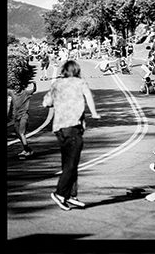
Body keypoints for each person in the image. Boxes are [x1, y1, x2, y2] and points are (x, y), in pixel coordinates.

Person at [42, 60, 101, 211]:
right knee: (72, 163)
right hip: (73, 128)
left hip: (59, 129)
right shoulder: (80, 83)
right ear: (76, 70)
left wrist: (57, 100)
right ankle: (60, 194)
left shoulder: (56, 84)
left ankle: (71, 195)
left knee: (68, 162)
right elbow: (88, 97)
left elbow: (46, 103)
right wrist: (94, 113)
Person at [8, 81, 37, 158]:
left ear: (21, 87)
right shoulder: (12, 93)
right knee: (18, 133)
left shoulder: (26, 93)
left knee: (21, 133)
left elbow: (34, 90)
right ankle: (26, 149)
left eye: (18, 86)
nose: (17, 88)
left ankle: (29, 151)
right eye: (15, 86)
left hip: (24, 116)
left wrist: (34, 83)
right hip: (16, 116)